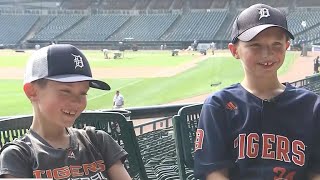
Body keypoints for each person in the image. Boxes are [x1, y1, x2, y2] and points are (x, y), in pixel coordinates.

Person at [194, 4, 320, 180]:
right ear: (234, 50)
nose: (267, 53)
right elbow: (214, 173)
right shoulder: (219, 104)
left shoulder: (312, 106)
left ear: (287, 46)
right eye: (255, 45)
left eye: (276, 44)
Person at [0, 44, 131, 179]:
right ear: (32, 91)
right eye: (65, 91)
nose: (77, 102)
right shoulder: (17, 156)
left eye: (83, 93)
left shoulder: (98, 141)